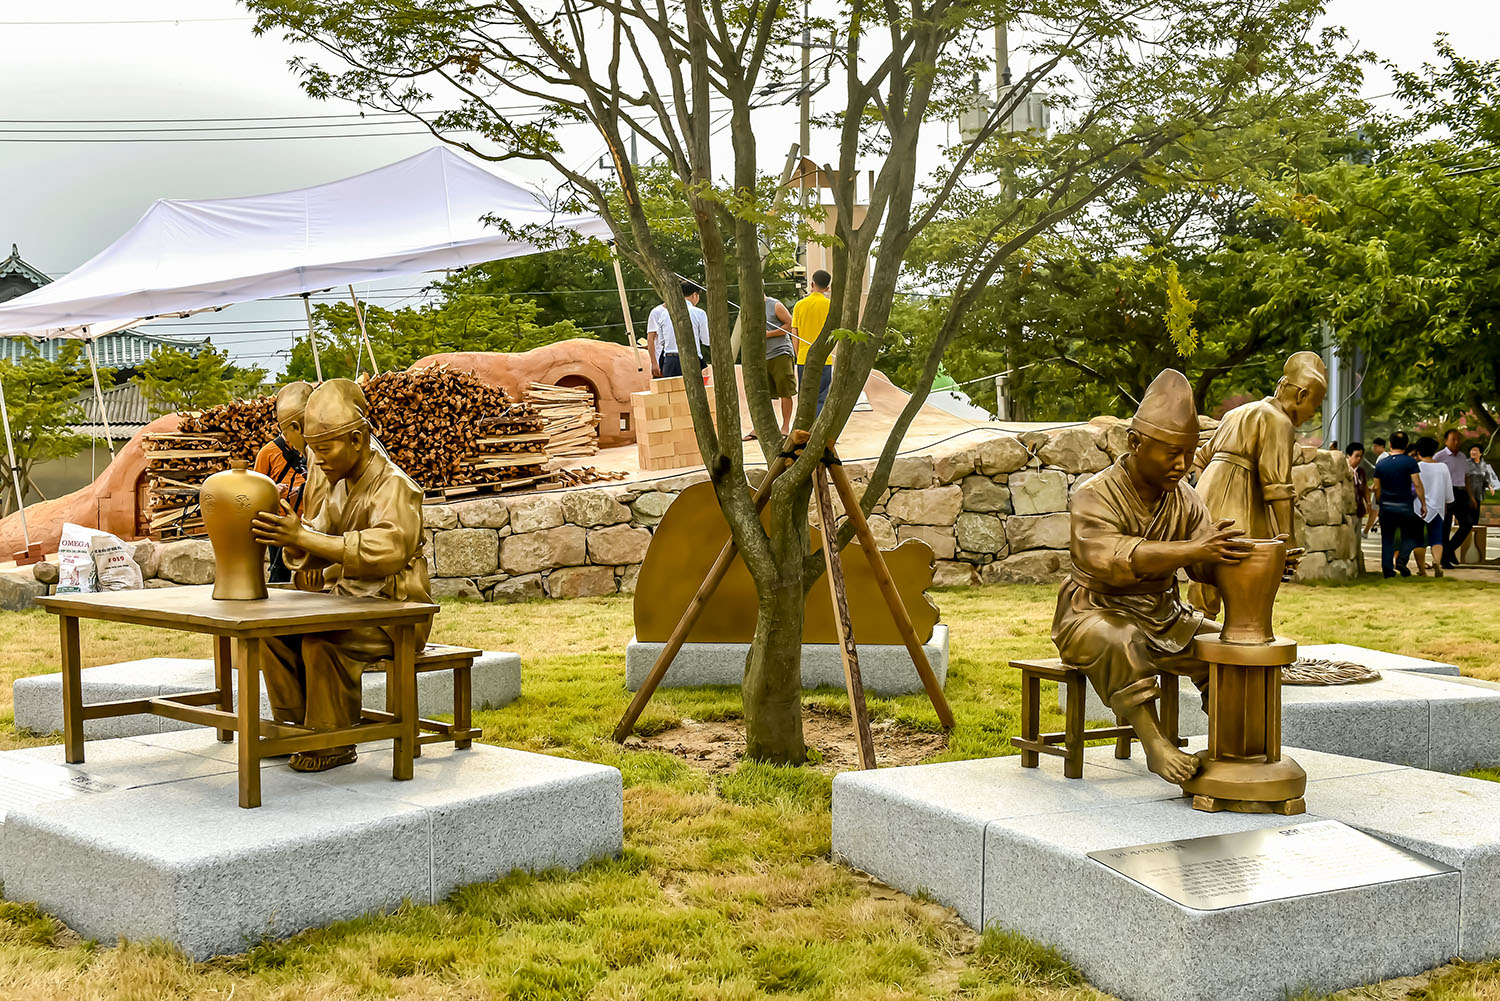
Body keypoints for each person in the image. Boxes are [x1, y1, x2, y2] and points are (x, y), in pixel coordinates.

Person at [1053, 368, 1291, 788]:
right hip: (1093, 611)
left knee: (1227, 649)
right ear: (1135, 443)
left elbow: (1204, 562)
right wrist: (1193, 550)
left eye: (1188, 453)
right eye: (1171, 454)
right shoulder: (1094, 494)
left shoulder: (1185, 498)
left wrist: (1256, 558)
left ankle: (1234, 747)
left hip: (1165, 614)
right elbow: (1107, 557)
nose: (1182, 465)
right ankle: (1155, 744)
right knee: (1119, 637)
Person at [250, 379, 431, 772]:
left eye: (325, 449)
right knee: (273, 634)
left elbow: (389, 549)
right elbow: (320, 533)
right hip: (349, 600)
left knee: (323, 641)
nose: (318, 460)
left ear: (357, 439)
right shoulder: (339, 486)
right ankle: (294, 728)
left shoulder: (395, 486)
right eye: (314, 450)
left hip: (397, 610)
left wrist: (305, 538)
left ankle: (332, 740)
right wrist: (294, 534)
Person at [1189, 351, 1326, 614]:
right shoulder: (1278, 421)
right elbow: (1277, 487)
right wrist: (1287, 543)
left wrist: (1202, 499)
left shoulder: (1237, 413)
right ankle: (1242, 637)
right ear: (1301, 395)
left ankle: (1196, 635)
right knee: (1249, 599)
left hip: (1205, 513)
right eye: (1315, 405)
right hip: (1239, 516)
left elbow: (1201, 458)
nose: (1312, 414)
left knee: (1202, 599)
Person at [253, 381, 313, 584]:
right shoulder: (268, 452)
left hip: (308, 519)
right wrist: (273, 490)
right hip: (280, 520)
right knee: (280, 570)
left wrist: (304, 489)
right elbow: (256, 489)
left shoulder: (312, 448)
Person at [1371, 430, 1428, 579]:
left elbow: (1376, 487)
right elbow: (1417, 484)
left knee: (1387, 539)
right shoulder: (1410, 462)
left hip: (1386, 506)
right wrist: (1423, 503)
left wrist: (1380, 502)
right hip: (1405, 506)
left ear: (1390, 444)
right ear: (1406, 445)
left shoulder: (1381, 464)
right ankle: (1402, 559)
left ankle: (1387, 570)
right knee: (1412, 535)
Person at [745, 294, 797, 440]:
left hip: (780, 353)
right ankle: (760, 428)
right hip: (761, 356)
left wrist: (769, 334)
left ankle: (785, 428)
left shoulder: (775, 305)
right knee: (761, 393)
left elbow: (790, 325)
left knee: (785, 391)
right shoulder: (748, 307)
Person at [646, 281, 711, 379]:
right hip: (691, 358)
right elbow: (706, 340)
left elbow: (662, 341)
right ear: (694, 295)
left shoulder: (665, 313)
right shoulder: (699, 313)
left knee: (671, 388)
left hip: (670, 361)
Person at [791, 269, 834, 413]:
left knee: (805, 397)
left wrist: (798, 355)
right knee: (821, 397)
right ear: (827, 288)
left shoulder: (800, 305)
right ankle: (818, 424)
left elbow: (794, 333)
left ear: (812, 284)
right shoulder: (830, 306)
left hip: (804, 358)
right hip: (825, 359)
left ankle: (804, 425)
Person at [1412, 436, 1455, 576]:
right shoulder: (1443, 467)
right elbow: (1448, 492)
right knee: (1437, 538)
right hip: (1438, 508)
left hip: (1418, 508)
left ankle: (1422, 570)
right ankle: (1436, 560)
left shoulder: (1416, 467)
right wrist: (1447, 501)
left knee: (1419, 540)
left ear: (1419, 452)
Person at [1435, 428, 1476, 569]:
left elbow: (1466, 478)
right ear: (1446, 441)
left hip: (1460, 493)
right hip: (1446, 492)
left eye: (1459, 439)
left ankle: (1449, 550)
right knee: (1445, 527)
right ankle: (1444, 560)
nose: (1457, 442)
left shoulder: (1463, 457)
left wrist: (1471, 497)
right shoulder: (1439, 457)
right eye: (1453, 439)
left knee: (1467, 524)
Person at [1346, 441, 1374, 536]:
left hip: (1359, 508)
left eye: (1361, 456)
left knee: (1357, 536)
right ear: (1349, 456)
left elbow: (1365, 487)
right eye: (1356, 456)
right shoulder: (1344, 470)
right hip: (1347, 509)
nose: (1359, 459)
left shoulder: (1360, 471)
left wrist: (1368, 502)